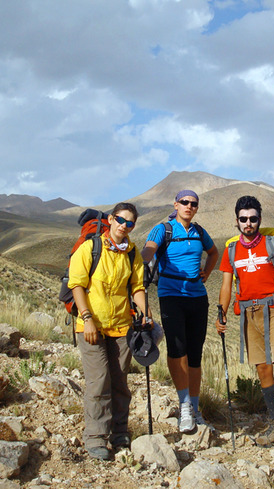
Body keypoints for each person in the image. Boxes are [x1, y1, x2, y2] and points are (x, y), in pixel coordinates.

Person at [215, 195, 274, 447]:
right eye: (244, 219)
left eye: (253, 219)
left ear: (259, 220)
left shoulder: (271, 245)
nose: (248, 223)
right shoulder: (231, 250)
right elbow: (226, 284)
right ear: (237, 221)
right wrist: (221, 312)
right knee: (263, 369)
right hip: (247, 314)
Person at [68, 202, 149, 461]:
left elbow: (137, 287)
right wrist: (87, 318)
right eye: (120, 220)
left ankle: (120, 432)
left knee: (120, 382)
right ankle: (95, 437)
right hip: (91, 326)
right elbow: (77, 286)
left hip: (121, 326)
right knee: (99, 381)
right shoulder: (90, 248)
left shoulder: (132, 253)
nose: (124, 226)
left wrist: (145, 314)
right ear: (111, 219)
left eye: (130, 223)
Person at [142, 190, 219, 432]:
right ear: (176, 204)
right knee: (177, 350)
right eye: (184, 202)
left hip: (197, 297)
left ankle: (195, 409)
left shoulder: (199, 231)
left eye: (193, 204)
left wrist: (207, 271)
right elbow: (148, 251)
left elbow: (214, 252)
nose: (189, 206)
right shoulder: (162, 229)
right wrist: (136, 260)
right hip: (171, 295)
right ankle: (184, 405)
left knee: (195, 353)